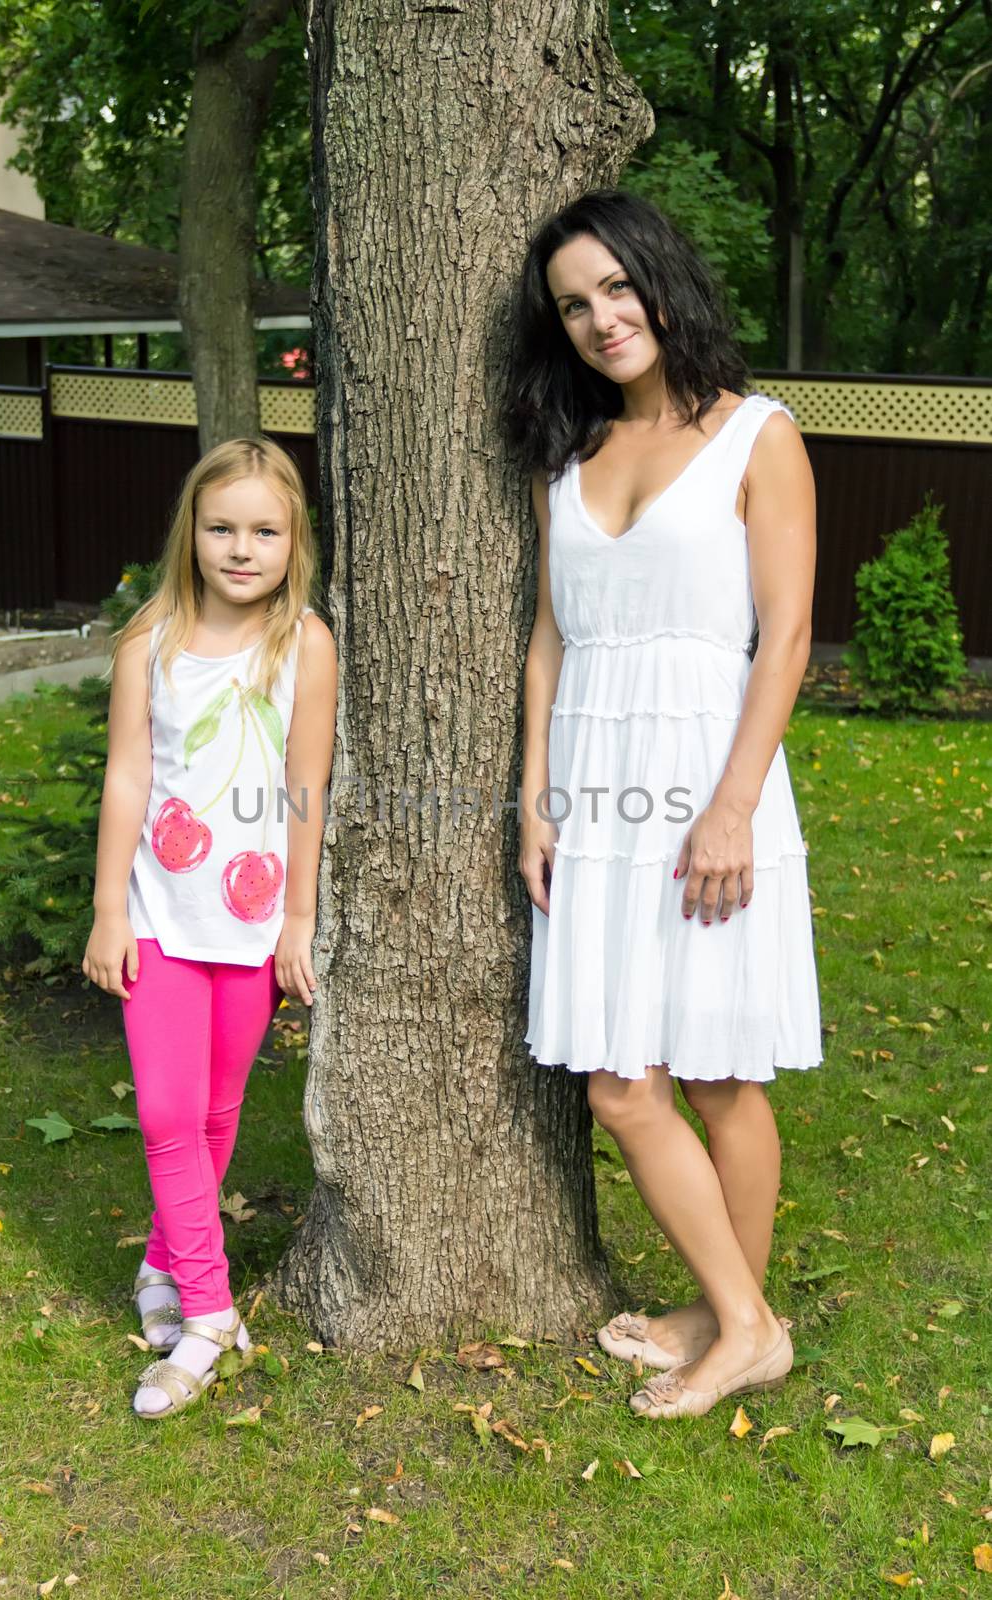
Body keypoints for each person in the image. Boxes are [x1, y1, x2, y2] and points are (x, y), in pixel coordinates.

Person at [502, 189, 822, 1420]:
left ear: (658, 281)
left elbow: (785, 634)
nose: (596, 319)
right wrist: (534, 794)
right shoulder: (569, 451)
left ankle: (731, 1318)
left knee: (718, 1073)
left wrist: (732, 806)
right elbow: (547, 637)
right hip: (591, 790)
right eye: (572, 305)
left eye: (613, 290)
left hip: (707, 780)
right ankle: (741, 1316)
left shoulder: (758, 435)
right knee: (620, 1080)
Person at [82, 436, 337, 1419]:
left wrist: (299, 918)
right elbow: (127, 776)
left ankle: (160, 1258)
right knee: (161, 1114)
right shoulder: (147, 640)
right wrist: (110, 909)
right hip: (158, 915)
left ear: (292, 540)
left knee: (216, 1113)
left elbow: (306, 788)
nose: (240, 548)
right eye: (221, 527)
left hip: (252, 922)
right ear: (190, 530)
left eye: (263, 530)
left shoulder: (301, 643)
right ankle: (208, 1310)